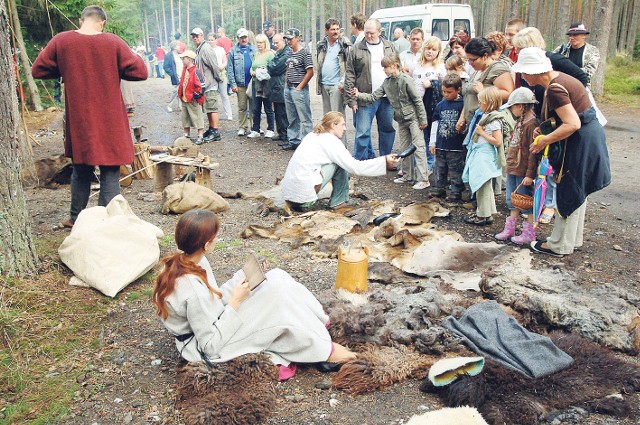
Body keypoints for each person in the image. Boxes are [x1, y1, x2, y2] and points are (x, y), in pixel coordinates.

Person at [153, 209, 357, 381]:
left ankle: (319, 325)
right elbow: (210, 346)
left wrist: (242, 278)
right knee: (278, 304)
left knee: (277, 277)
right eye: (215, 237)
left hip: (217, 322)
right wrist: (235, 301)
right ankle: (323, 350)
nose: (217, 239)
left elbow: (212, 298)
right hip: (205, 347)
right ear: (206, 244)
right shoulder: (191, 289)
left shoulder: (188, 261)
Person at [32, 5, 147, 229]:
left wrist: (67, 68)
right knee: (109, 172)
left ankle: (76, 220)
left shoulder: (62, 41)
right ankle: (108, 223)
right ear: (102, 23)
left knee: (81, 171)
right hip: (110, 121)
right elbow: (140, 72)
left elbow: (39, 70)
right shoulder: (113, 42)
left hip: (80, 122)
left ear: (81, 20)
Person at [512, 47, 610, 257]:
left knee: (569, 189)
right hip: (587, 137)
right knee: (578, 189)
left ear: (533, 71)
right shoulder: (560, 79)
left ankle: (559, 245)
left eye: (523, 72)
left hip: (581, 141)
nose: (522, 77)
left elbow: (572, 123)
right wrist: (545, 127)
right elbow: (566, 116)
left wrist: (544, 140)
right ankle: (572, 240)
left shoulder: (555, 88)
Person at [281, 112, 398, 210]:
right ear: (333, 125)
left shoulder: (312, 135)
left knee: (336, 163)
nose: (345, 128)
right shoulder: (331, 141)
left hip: (289, 193)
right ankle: (339, 202)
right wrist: (384, 161)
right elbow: (355, 167)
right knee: (341, 164)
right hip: (303, 199)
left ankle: (329, 200)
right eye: (343, 125)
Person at [353, 53, 429, 190]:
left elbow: (417, 100)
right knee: (405, 148)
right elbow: (373, 97)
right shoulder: (387, 83)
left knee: (419, 147)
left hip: (413, 118)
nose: (384, 70)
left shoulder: (406, 80)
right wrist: (359, 95)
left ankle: (423, 178)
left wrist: (422, 119)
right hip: (401, 119)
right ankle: (407, 175)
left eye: (386, 67)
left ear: (395, 66)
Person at [344, 19, 396, 160]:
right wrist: (352, 100)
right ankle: (360, 160)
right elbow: (349, 75)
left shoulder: (389, 47)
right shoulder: (356, 49)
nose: (368, 36)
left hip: (387, 98)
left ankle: (386, 160)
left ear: (379, 32)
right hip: (364, 96)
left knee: (387, 129)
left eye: (372, 33)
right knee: (362, 131)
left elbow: (398, 70)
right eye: (366, 32)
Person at [494, 87, 539, 244]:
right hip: (514, 167)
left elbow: (532, 152)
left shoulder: (531, 125)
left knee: (525, 200)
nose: (512, 110)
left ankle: (529, 232)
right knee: (512, 199)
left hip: (523, 170)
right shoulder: (520, 122)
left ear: (520, 106)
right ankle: (510, 228)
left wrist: (529, 174)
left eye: (512, 106)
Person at [462, 86, 504, 226]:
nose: (479, 105)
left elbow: (498, 141)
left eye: (481, 102)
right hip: (479, 153)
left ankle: (482, 215)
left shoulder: (494, 120)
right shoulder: (487, 116)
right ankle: (488, 212)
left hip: (484, 155)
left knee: (482, 185)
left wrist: (481, 132)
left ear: (490, 102)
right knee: (483, 186)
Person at [457, 37, 514, 133]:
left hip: (488, 127)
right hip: (472, 123)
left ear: (485, 56)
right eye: (468, 60)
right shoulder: (477, 70)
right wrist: (462, 117)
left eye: (473, 60)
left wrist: (484, 92)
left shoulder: (497, 69)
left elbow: (509, 93)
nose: (470, 63)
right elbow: (469, 96)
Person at [410, 35, 447, 175]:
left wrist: (432, 84)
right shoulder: (416, 64)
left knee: (430, 135)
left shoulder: (440, 67)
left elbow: (445, 86)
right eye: (428, 48)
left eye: (434, 49)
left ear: (438, 51)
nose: (430, 52)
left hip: (432, 106)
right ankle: (418, 162)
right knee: (418, 135)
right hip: (417, 104)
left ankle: (430, 164)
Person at [428, 73, 466, 200]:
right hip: (441, 145)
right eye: (443, 91)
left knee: (456, 170)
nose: (446, 94)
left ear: (458, 90)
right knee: (439, 169)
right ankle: (439, 189)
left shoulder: (463, 105)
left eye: (449, 92)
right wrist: (432, 142)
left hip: (456, 146)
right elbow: (435, 123)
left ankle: (456, 192)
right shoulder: (440, 105)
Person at [282, 28, 314, 151]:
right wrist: (286, 83)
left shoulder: (305, 53)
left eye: (290, 39)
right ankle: (293, 140)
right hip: (288, 88)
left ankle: (307, 143)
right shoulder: (289, 53)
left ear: (297, 38)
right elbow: (288, 69)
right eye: (287, 39)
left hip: (298, 88)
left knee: (304, 117)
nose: (289, 41)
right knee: (292, 117)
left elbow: (310, 72)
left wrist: (300, 87)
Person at [316, 18, 351, 119]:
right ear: (326, 31)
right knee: (327, 117)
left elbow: (349, 65)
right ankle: (329, 135)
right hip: (324, 84)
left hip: (337, 86)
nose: (336, 31)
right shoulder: (321, 45)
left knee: (337, 116)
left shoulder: (344, 44)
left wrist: (343, 84)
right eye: (333, 29)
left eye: (337, 29)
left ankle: (340, 135)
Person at [191, 27, 222, 142]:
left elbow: (214, 65)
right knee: (208, 108)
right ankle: (211, 128)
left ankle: (216, 132)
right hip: (204, 84)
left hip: (210, 83)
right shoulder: (199, 49)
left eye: (197, 36)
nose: (195, 38)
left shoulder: (206, 49)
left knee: (212, 107)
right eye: (193, 36)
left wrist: (217, 79)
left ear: (202, 36)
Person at [227, 28, 257, 136]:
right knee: (242, 106)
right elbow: (229, 69)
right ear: (237, 39)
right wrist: (233, 84)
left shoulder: (254, 49)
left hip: (253, 82)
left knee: (254, 106)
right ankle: (242, 127)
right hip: (240, 83)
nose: (243, 39)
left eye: (245, 37)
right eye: (241, 38)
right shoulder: (233, 51)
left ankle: (255, 127)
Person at [248, 34, 275, 139]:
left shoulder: (270, 54)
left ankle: (271, 129)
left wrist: (260, 72)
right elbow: (252, 66)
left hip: (266, 84)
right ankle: (256, 129)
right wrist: (251, 71)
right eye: (258, 42)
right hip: (256, 83)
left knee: (268, 107)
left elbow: (272, 69)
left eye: (261, 42)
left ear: (265, 43)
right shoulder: (256, 54)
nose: (259, 44)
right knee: (256, 107)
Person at [177, 50, 206, 145]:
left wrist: (195, 96)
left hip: (193, 99)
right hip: (185, 98)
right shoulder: (185, 69)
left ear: (189, 59)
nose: (182, 60)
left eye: (184, 58)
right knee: (185, 117)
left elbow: (201, 86)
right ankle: (186, 134)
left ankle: (200, 136)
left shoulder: (196, 71)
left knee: (197, 117)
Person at [267, 33, 291, 145]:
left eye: (277, 43)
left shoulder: (286, 53)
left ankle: (286, 135)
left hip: (281, 86)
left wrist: (271, 65)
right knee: (277, 111)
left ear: (284, 41)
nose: (275, 45)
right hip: (276, 86)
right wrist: (271, 65)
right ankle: (281, 133)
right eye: (274, 43)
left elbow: (275, 67)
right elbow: (271, 65)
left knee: (283, 112)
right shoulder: (279, 53)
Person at [208, 33, 232, 121]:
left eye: (212, 39)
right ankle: (213, 115)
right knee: (212, 96)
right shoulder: (207, 50)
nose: (210, 41)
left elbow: (225, 61)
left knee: (224, 95)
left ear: (215, 40)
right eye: (209, 40)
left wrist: (222, 66)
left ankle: (229, 114)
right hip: (211, 76)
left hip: (221, 74)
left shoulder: (220, 49)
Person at [164, 42, 184, 112]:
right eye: (178, 45)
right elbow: (166, 67)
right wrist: (172, 74)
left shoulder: (179, 54)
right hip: (176, 76)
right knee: (175, 91)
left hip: (182, 75)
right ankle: (169, 105)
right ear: (174, 47)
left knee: (181, 91)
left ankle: (179, 106)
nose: (179, 47)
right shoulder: (169, 55)